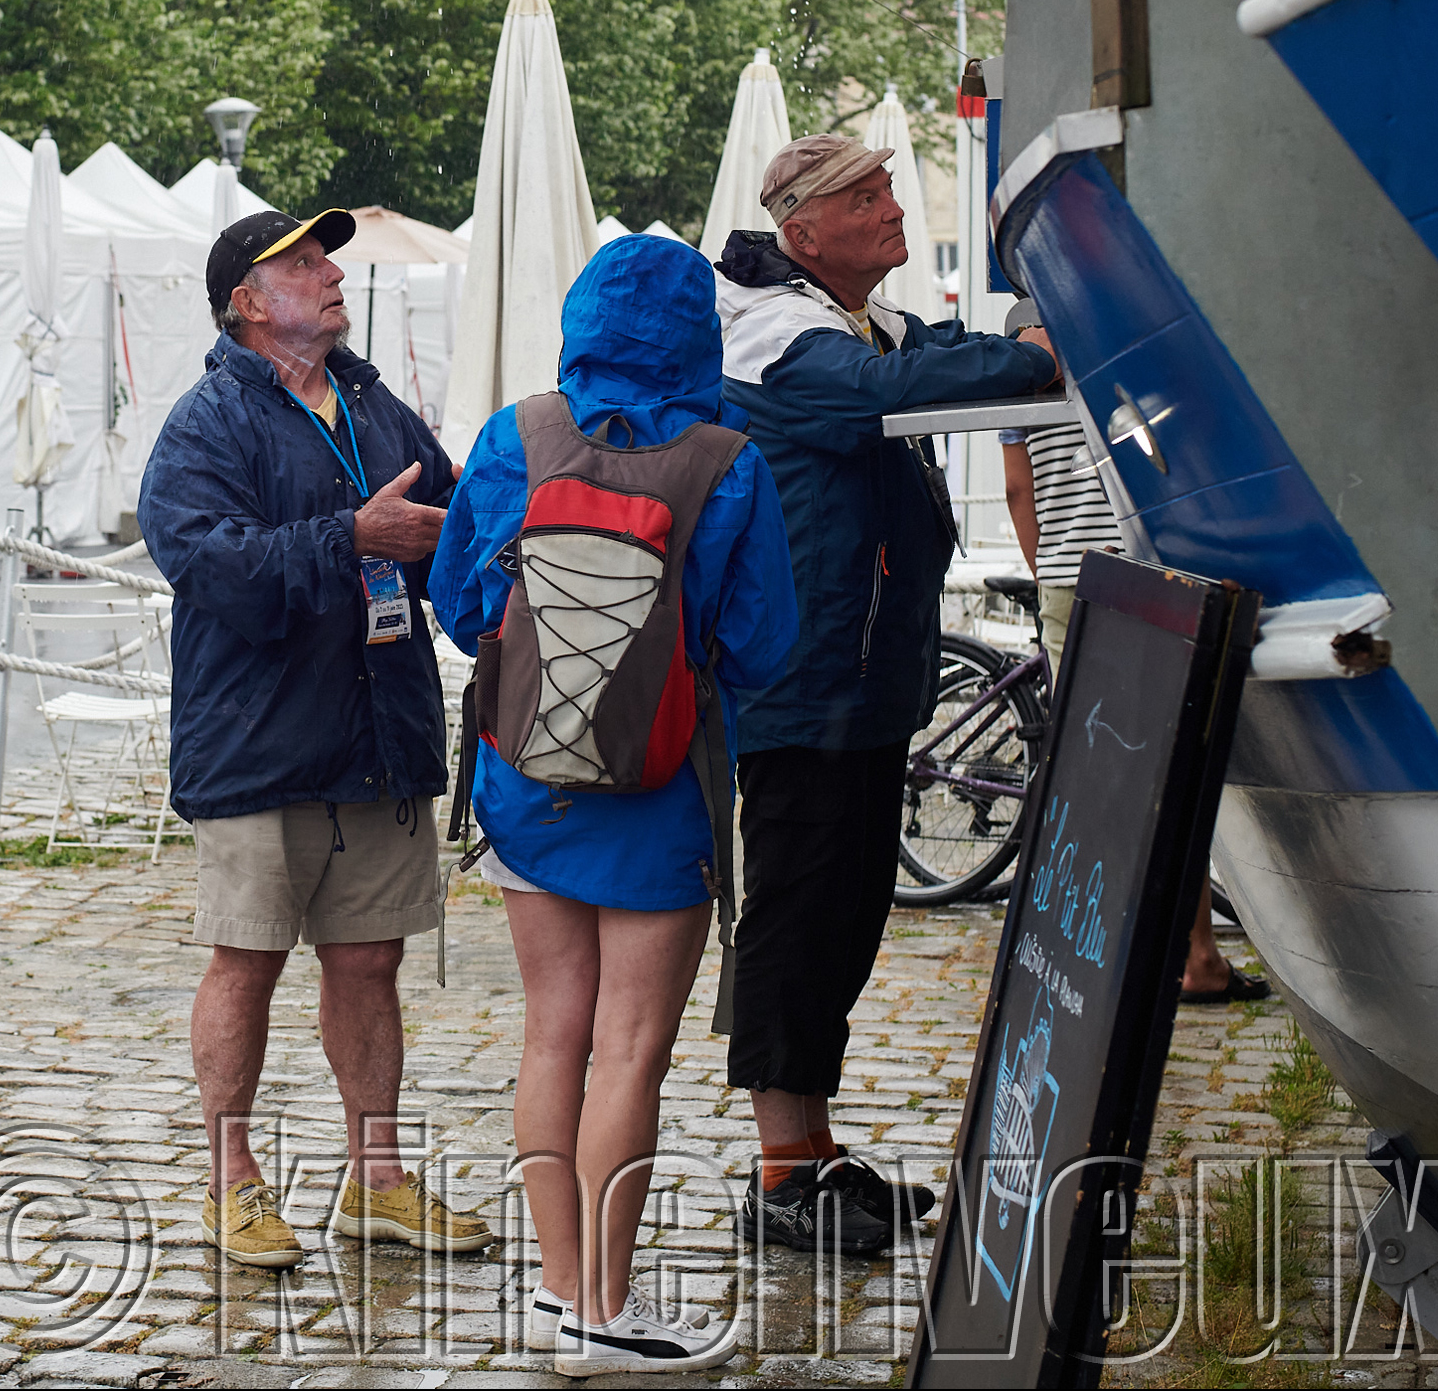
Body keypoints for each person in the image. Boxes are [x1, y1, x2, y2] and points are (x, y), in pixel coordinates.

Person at [433, 234, 797, 1374]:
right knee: (631, 1051)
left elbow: (456, 601)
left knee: (553, 1034)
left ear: (581, 315)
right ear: (704, 329)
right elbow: (762, 646)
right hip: (663, 788)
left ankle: (555, 1291)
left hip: (525, 780)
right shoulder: (728, 460)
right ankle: (606, 1305)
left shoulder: (517, 434)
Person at [713, 133, 1059, 1256]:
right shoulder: (780, 333)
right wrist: (1033, 359)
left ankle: (812, 1152)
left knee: (847, 915)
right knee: (798, 914)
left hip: (858, 681)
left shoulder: (856, 314)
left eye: (889, 186)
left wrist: (1020, 331)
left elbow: (936, 344)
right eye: (865, 196)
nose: (893, 206)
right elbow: (890, 391)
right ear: (803, 231)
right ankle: (780, 1167)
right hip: (803, 678)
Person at [139, 207, 494, 1271]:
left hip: (376, 734)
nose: (331, 270)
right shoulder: (207, 422)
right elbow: (206, 564)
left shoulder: (378, 405)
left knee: (370, 961)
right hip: (257, 741)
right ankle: (229, 1178)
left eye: (326, 254)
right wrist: (353, 537)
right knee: (244, 960)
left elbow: (457, 524)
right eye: (301, 261)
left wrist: (479, 561)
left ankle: (377, 1180)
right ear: (248, 302)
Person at [996, 305, 1268, 1007]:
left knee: (1101, 777)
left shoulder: (1011, 376)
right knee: (1165, 765)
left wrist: (1049, 567)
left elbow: (1016, 489)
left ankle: (1112, 951)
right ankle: (1195, 955)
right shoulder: (1112, 355)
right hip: (1141, 571)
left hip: (1066, 577)